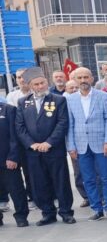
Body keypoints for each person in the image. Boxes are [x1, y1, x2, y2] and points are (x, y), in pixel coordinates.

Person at [14, 67, 74, 225]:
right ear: (31, 86)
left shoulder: (58, 100)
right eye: (37, 84)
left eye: (43, 83)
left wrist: (49, 142)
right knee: (39, 183)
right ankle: (48, 213)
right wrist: (32, 144)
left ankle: (66, 212)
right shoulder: (23, 102)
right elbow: (19, 127)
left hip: (54, 150)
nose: (41, 86)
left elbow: (62, 123)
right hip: (33, 152)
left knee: (61, 182)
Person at [65, 67, 107, 221]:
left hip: (101, 143)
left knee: (106, 177)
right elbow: (70, 124)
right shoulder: (70, 99)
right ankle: (97, 208)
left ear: (92, 78)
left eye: (86, 77)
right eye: (79, 78)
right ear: (75, 80)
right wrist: (71, 146)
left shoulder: (103, 96)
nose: (83, 81)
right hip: (81, 145)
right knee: (88, 179)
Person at [0, 100, 29, 227]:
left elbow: (15, 135)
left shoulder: (9, 109)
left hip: (7, 158)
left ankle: (21, 216)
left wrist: (13, 157)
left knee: (16, 189)